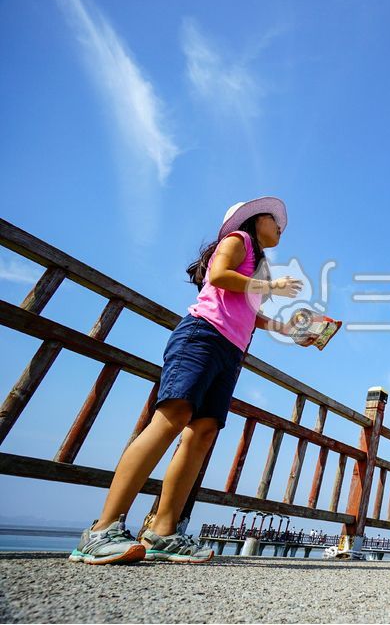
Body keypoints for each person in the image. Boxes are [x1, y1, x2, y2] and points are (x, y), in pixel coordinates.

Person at [69, 197, 314, 564]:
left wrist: (290, 329)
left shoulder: (258, 267)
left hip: (231, 350)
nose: (281, 227)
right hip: (202, 335)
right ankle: (103, 528)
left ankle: (163, 533)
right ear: (254, 219)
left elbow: (251, 314)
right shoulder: (239, 240)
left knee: (202, 433)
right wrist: (275, 286)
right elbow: (218, 276)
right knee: (172, 417)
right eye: (276, 220)